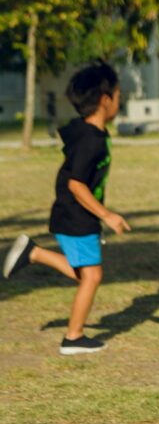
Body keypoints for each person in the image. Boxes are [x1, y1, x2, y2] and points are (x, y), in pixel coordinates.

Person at [2, 61, 131, 355]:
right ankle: (73, 337)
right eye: (119, 96)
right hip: (76, 215)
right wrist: (108, 215)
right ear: (104, 99)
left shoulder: (89, 133)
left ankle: (32, 252)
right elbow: (76, 184)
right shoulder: (91, 141)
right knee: (92, 276)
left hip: (70, 214)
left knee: (84, 273)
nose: (120, 102)